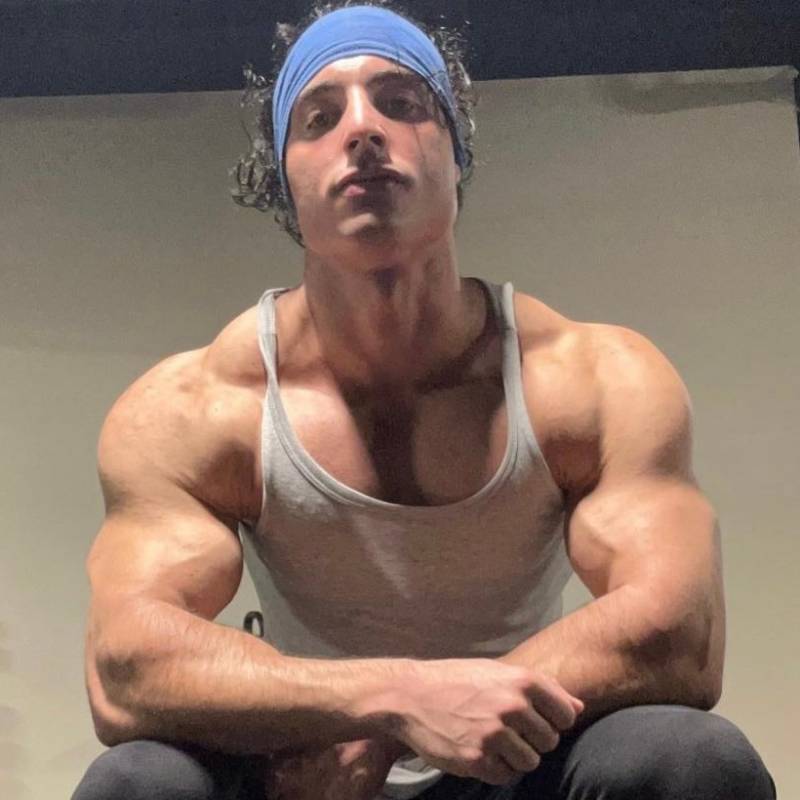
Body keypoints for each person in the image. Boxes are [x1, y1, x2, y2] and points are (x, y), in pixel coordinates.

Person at [72, 2, 777, 799]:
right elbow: (125, 666)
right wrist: (390, 702)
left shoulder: (592, 377)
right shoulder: (199, 406)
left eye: (402, 103)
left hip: (512, 760)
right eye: (319, 118)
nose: (363, 130)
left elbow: (682, 632)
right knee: (139, 781)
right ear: (285, 183)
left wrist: (431, 717)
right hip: (318, 771)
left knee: (687, 757)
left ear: (455, 152)